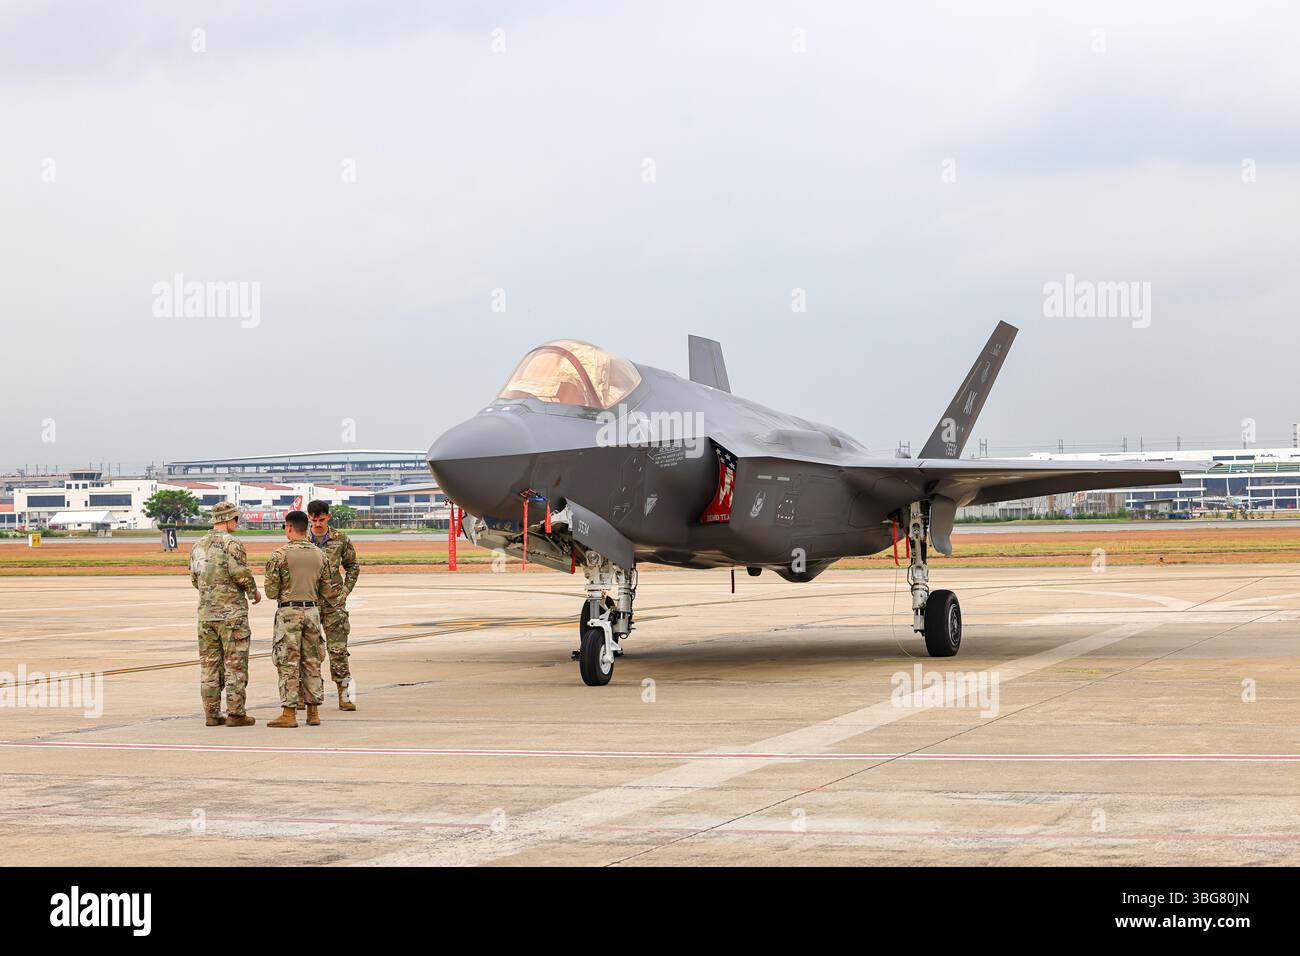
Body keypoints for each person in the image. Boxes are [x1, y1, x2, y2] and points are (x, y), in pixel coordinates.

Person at [263, 510, 341, 728]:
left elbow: (270, 591)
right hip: (312, 612)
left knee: (288, 662)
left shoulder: (279, 555)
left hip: (289, 613)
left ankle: (289, 712)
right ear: (306, 527)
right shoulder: (320, 554)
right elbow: (327, 589)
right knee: (313, 661)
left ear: (289, 528)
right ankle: (313, 712)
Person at [190, 501, 261, 727]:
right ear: (230, 519)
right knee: (235, 664)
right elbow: (239, 572)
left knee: (209, 665)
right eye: (236, 519)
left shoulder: (198, 545)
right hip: (231, 615)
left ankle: (211, 713)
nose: (237, 523)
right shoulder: (233, 544)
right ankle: (235, 713)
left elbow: (195, 578)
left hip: (206, 615)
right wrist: (253, 591)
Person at [306, 499, 360, 711]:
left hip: (333, 603)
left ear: (328, 516)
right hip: (308, 601)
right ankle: (308, 694)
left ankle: (344, 695)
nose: (317, 523)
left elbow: (353, 566)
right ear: (309, 518)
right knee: (309, 650)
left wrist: (346, 590)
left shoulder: (339, 539)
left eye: (321, 519)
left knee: (338, 650)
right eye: (313, 519)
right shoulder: (303, 540)